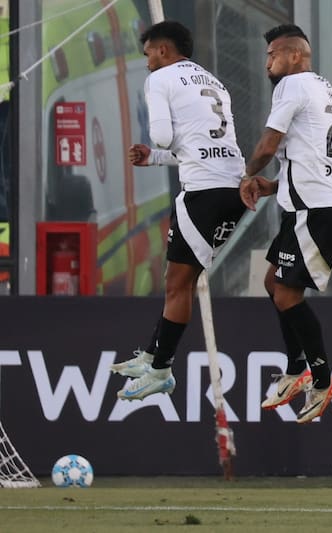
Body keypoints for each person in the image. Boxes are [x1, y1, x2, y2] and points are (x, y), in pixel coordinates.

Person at [110, 21, 246, 400]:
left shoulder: (161, 79)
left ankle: (161, 370)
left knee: (176, 282)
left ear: (163, 50)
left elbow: (164, 136)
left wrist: (155, 144)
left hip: (203, 193)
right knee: (181, 280)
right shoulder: (212, 82)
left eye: (148, 53)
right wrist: (154, 159)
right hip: (231, 187)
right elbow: (198, 148)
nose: (147, 62)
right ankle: (154, 355)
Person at [239, 24, 332, 424]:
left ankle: (321, 381)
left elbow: (269, 145)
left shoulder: (291, 86)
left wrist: (244, 175)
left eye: (273, 53)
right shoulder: (322, 87)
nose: (268, 61)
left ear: (295, 55)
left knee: (287, 296)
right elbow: (304, 154)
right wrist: (272, 185)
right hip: (312, 201)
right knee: (274, 284)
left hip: (315, 208)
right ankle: (294, 370)